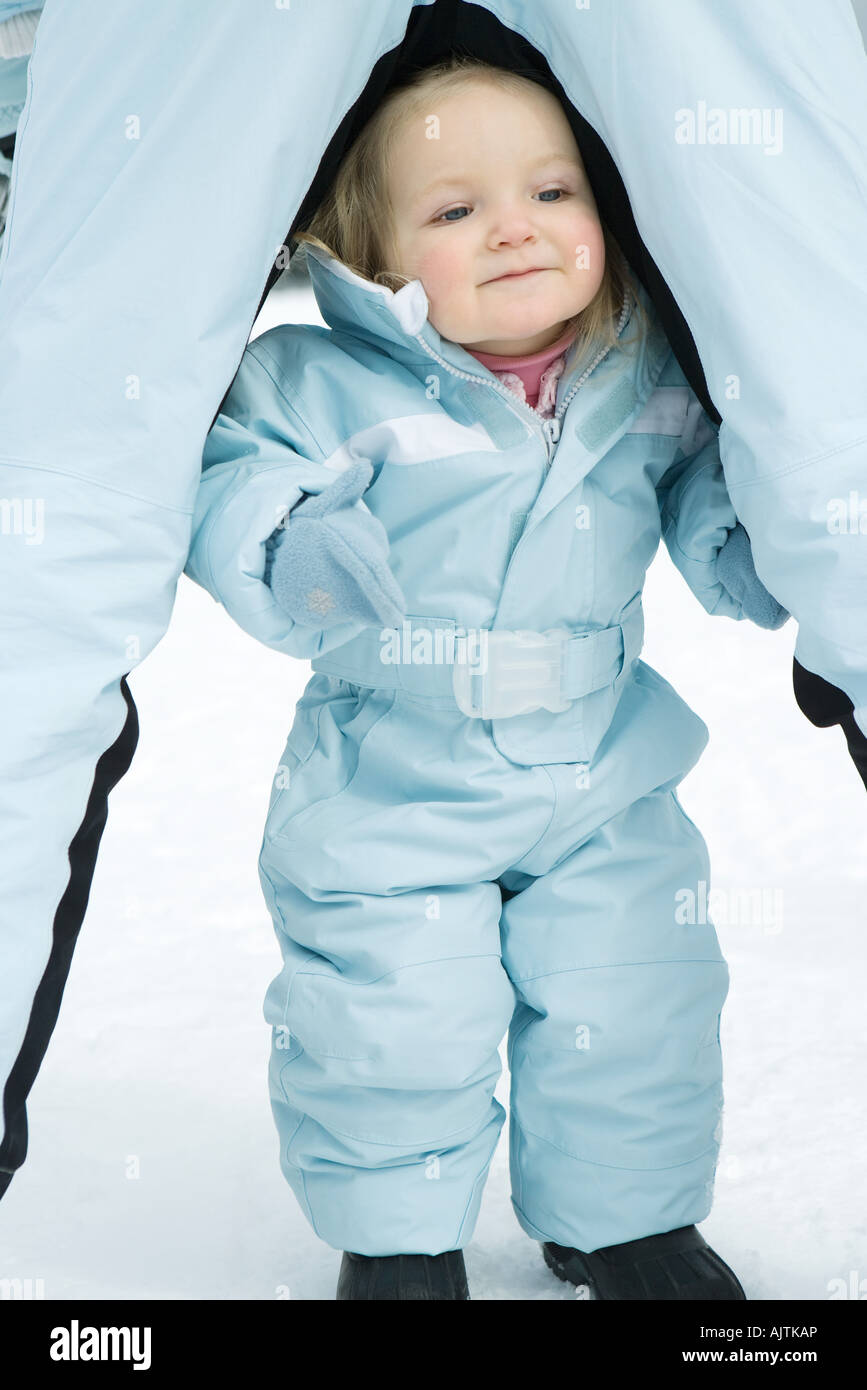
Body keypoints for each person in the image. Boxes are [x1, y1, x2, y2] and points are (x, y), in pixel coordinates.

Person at [186, 56, 789, 1300]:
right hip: (392, 769)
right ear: (364, 251)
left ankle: (628, 1226)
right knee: (391, 1008)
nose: (515, 226)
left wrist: (746, 537)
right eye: (455, 211)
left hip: (603, 761)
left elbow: (708, 480)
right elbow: (228, 470)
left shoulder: (645, 368)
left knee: (632, 984)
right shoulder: (317, 377)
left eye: (553, 189)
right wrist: (295, 540)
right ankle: (399, 1244)